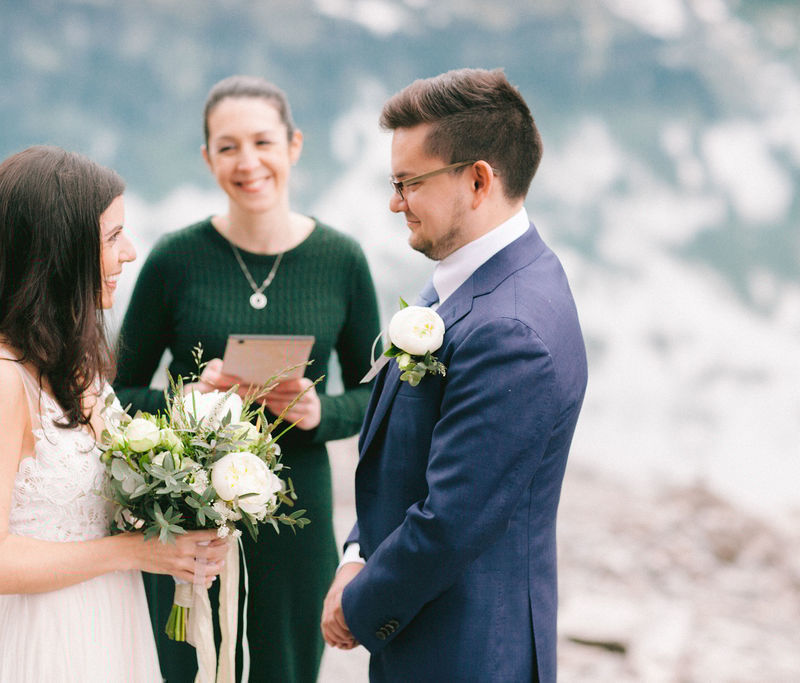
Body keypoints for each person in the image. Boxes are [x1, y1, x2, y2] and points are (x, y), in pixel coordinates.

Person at [321, 69, 588, 682]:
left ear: (477, 179)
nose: (394, 202)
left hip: (469, 652)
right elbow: (407, 455)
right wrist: (358, 554)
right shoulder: (469, 281)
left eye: (408, 183)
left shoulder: (510, 329)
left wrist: (355, 607)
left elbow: (452, 520)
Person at [114, 76, 381, 682]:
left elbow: (377, 396)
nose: (248, 162)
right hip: (185, 517)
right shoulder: (175, 259)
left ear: (294, 145)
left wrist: (320, 415)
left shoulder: (342, 260)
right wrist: (187, 403)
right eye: (228, 147)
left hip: (297, 519)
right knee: (183, 668)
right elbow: (114, 394)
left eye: (263, 141)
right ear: (208, 158)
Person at [0, 145, 226, 683]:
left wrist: (182, 525)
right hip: (42, 643)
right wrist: (133, 551)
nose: (131, 253)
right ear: (59, 250)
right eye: (113, 237)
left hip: (112, 626)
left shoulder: (77, 368)